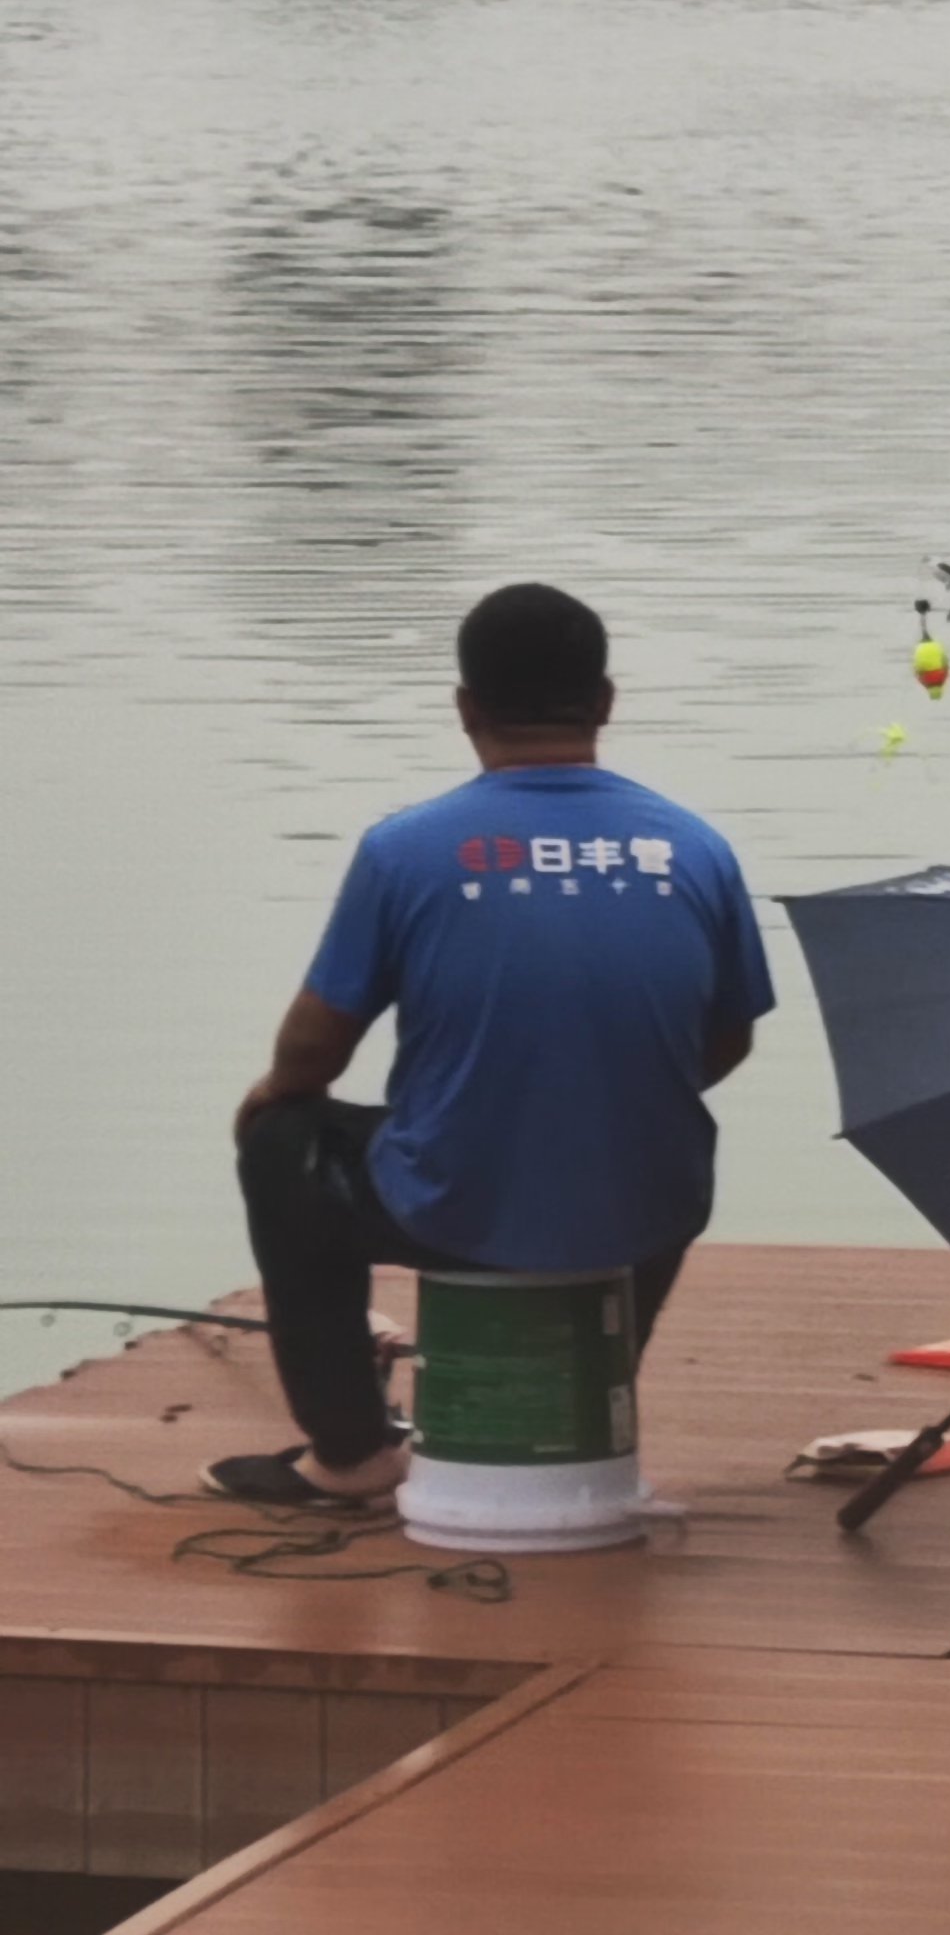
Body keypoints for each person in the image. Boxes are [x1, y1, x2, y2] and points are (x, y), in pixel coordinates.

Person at [211, 582, 775, 1511]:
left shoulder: (406, 850)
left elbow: (316, 1048)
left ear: (466, 708)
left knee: (283, 1140)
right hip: (645, 1215)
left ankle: (349, 1455)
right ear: (604, 703)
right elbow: (726, 1040)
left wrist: (270, 1094)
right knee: (652, 1123)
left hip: (455, 1211)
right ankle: (587, 1368)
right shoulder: (695, 849)